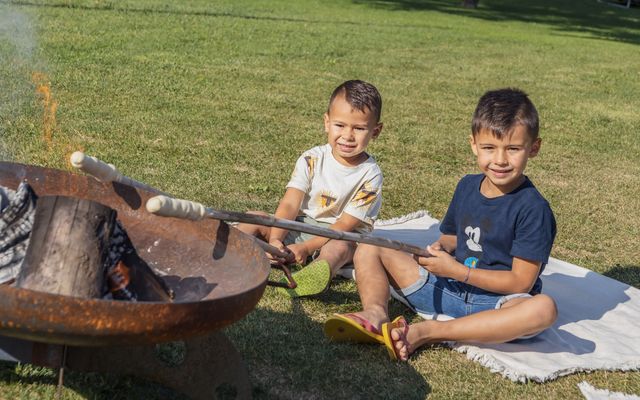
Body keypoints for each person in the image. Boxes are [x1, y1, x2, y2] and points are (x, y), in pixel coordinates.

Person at [324, 88, 557, 360]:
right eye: (489, 148)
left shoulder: (533, 209)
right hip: (445, 290)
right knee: (371, 246)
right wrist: (437, 251)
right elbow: (452, 239)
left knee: (543, 309)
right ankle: (376, 314)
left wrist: (459, 272)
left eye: (513, 149)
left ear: (534, 148)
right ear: (473, 144)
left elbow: (521, 282)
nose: (500, 160)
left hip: (496, 307)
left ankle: (429, 331)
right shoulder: (468, 186)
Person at [237, 80, 384, 298]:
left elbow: (344, 225)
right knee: (253, 219)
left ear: (375, 131)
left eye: (359, 128)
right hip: (301, 226)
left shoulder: (370, 175)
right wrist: (277, 238)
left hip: (340, 235)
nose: (348, 135)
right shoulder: (312, 158)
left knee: (338, 249)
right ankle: (231, 255)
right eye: (340, 125)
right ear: (327, 122)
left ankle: (317, 275)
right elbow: (290, 203)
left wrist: (306, 249)